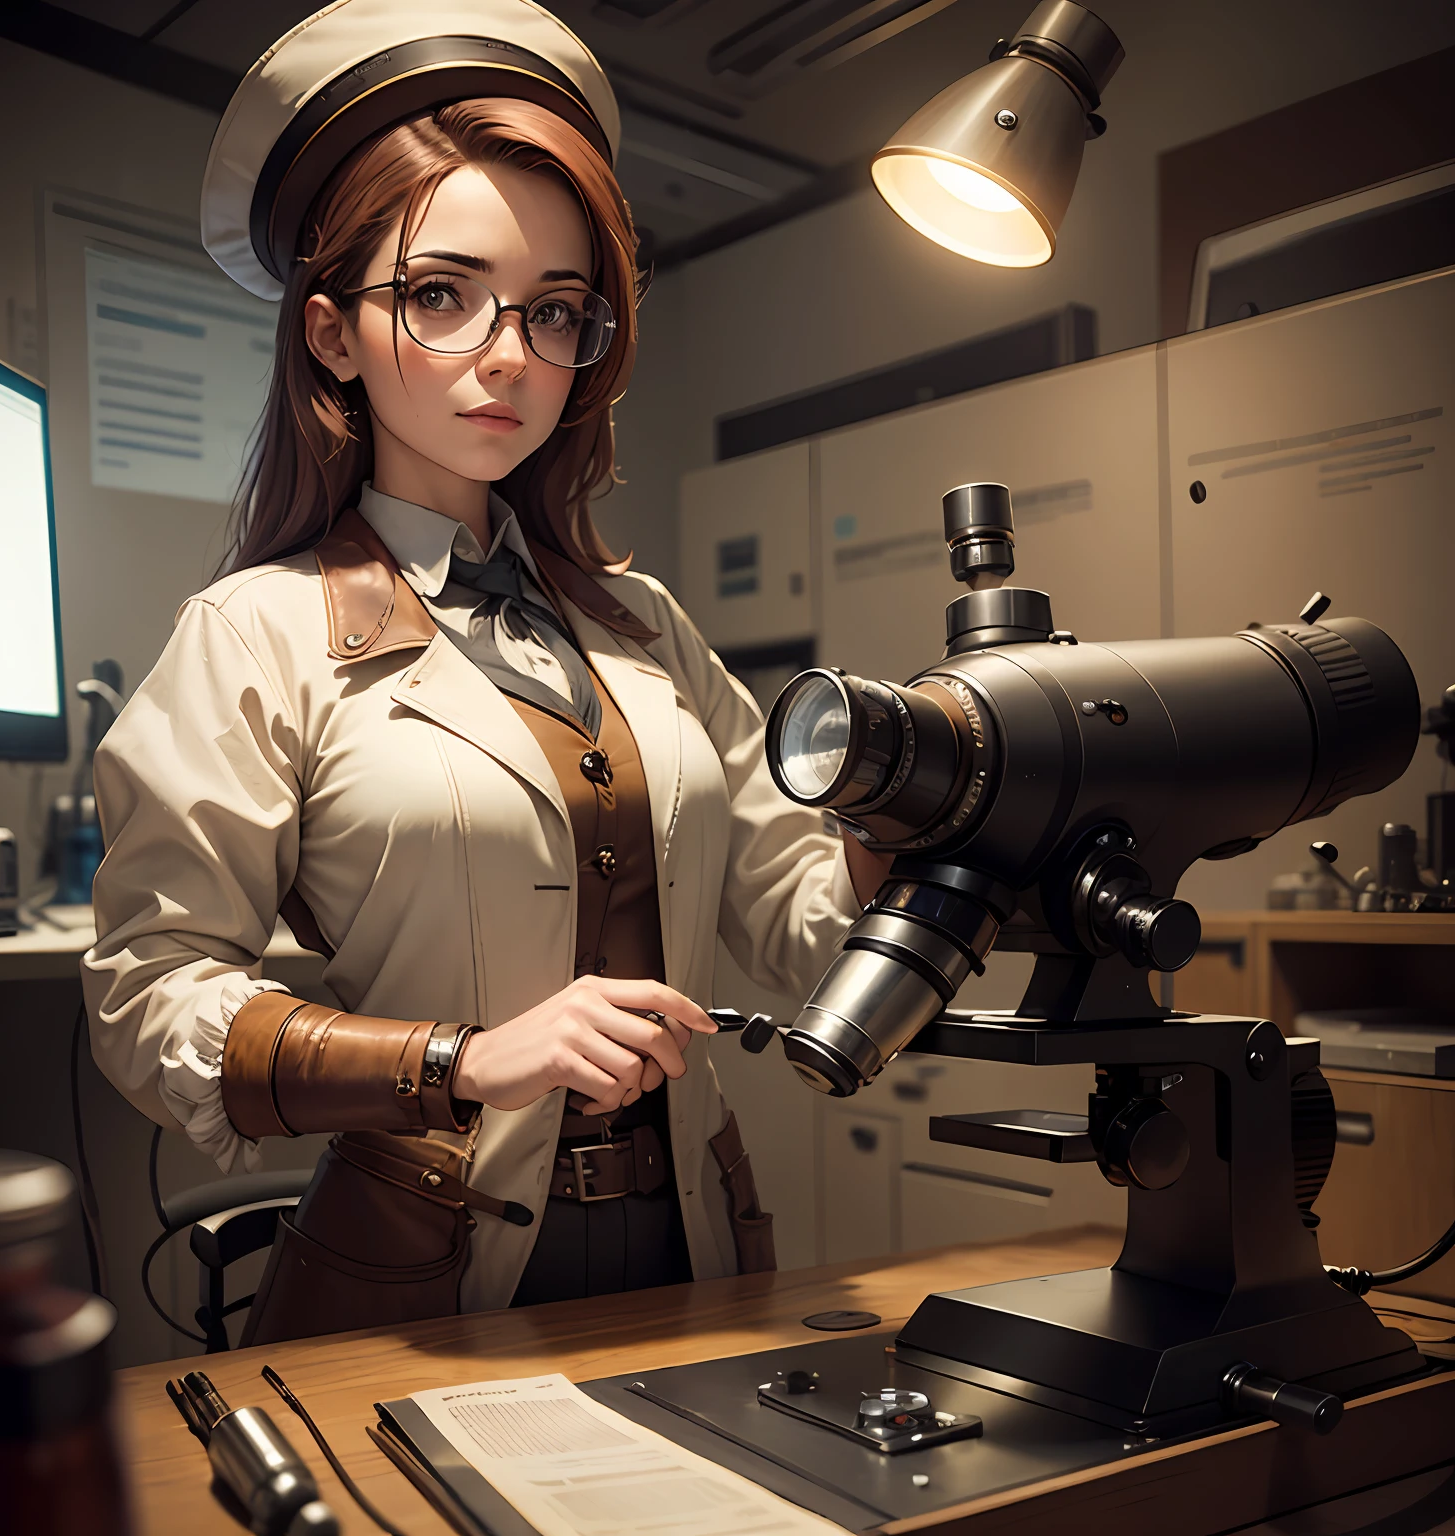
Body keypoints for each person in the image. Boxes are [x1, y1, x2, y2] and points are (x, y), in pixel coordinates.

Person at [82, 0, 886, 1345]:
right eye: (442, 297)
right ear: (334, 332)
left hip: (700, 1242)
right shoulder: (254, 634)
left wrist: (888, 844)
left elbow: (790, 913)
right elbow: (149, 991)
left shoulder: (647, 626)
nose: (507, 357)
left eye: (554, 311)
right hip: (415, 1272)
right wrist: (458, 1059)